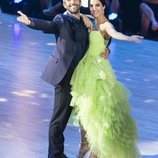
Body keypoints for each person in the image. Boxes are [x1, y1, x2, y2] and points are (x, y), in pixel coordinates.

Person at [16, 0, 109, 157]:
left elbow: (98, 41)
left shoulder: (85, 21)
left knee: (86, 116)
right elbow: (48, 26)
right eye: (68, 1)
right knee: (59, 120)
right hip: (64, 76)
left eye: (75, 0)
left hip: (82, 76)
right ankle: (55, 154)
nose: (72, 2)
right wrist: (30, 22)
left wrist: (106, 51)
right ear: (65, 4)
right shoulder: (61, 19)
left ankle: (86, 150)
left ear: (80, 2)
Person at [70, 0, 143, 157]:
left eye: (97, 5)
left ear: (104, 7)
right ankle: (84, 144)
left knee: (98, 113)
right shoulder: (87, 18)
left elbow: (115, 34)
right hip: (84, 70)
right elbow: (67, 12)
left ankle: (96, 150)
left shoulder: (105, 25)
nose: (94, 8)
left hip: (98, 73)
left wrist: (129, 38)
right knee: (84, 110)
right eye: (92, 5)